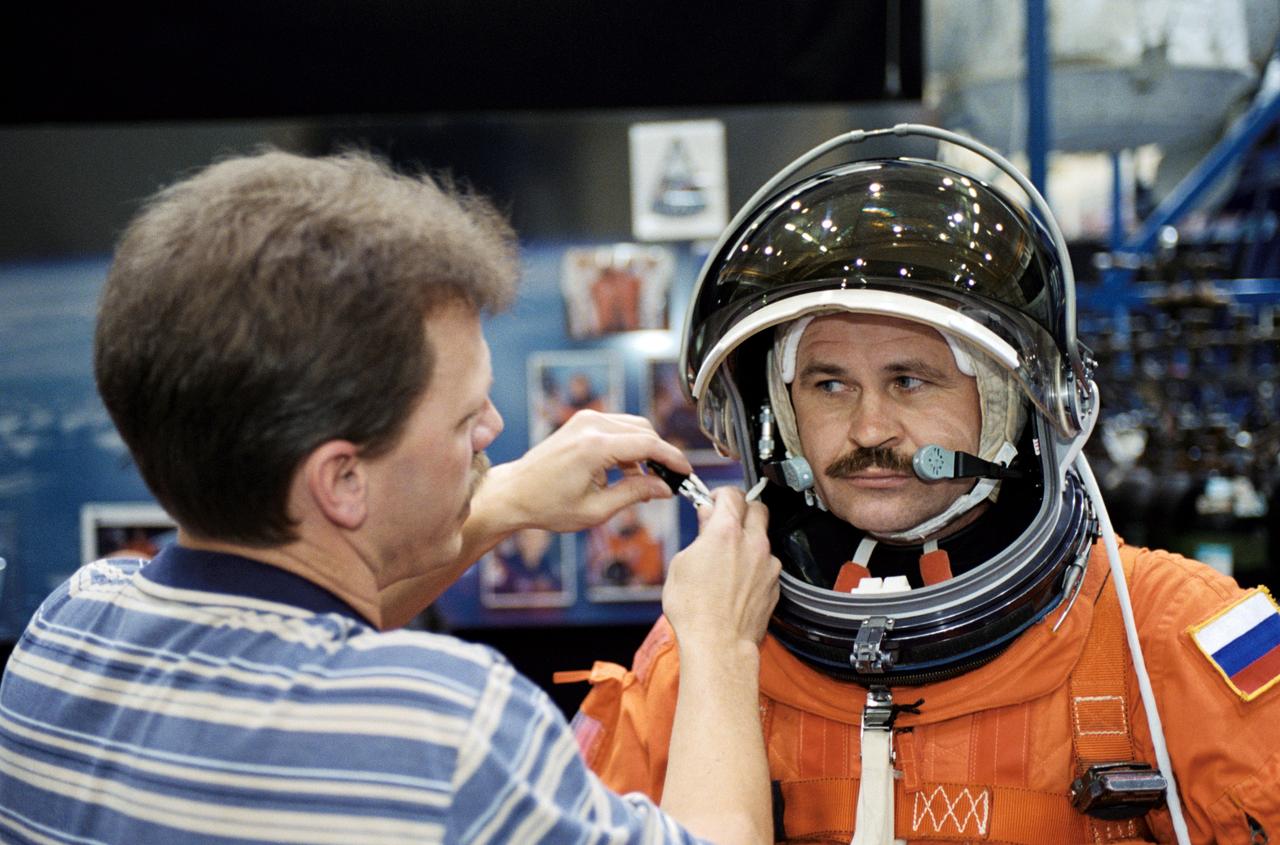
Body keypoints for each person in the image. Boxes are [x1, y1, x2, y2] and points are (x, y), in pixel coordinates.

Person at [0, 149, 782, 844]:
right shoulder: (448, 731)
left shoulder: (67, 628)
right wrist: (720, 639)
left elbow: (294, 615)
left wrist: (505, 500)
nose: (495, 427)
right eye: (466, 418)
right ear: (343, 480)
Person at [570, 126, 1280, 844]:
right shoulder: (702, 653)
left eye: (909, 380)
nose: (868, 428)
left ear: (1008, 406)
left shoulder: (1167, 633)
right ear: (781, 417)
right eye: (829, 385)